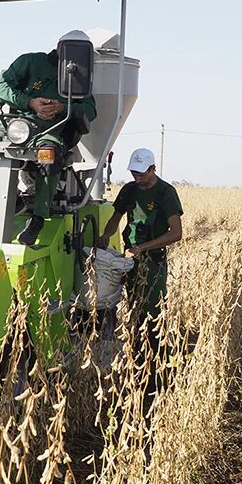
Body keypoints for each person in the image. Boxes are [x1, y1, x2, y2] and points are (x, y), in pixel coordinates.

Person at [0, 31, 97, 245]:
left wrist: (62, 107)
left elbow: (90, 109)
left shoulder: (80, 79)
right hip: (18, 127)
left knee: (48, 156)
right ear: (60, 47)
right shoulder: (31, 62)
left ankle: (38, 217)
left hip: (52, 131)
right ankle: (1, 204)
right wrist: (30, 102)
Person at [97, 148, 184, 403]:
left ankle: (158, 372)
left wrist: (143, 248)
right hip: (130, 260)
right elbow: (116, 217)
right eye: (134, 173)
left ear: (153, 169)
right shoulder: (130, 190)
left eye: (142, 174)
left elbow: (176, 233)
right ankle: (136, 360)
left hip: (153, 262)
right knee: (133, 310)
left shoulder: (166, 193)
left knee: (153, 314)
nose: (138, 178)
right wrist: (106, 234)